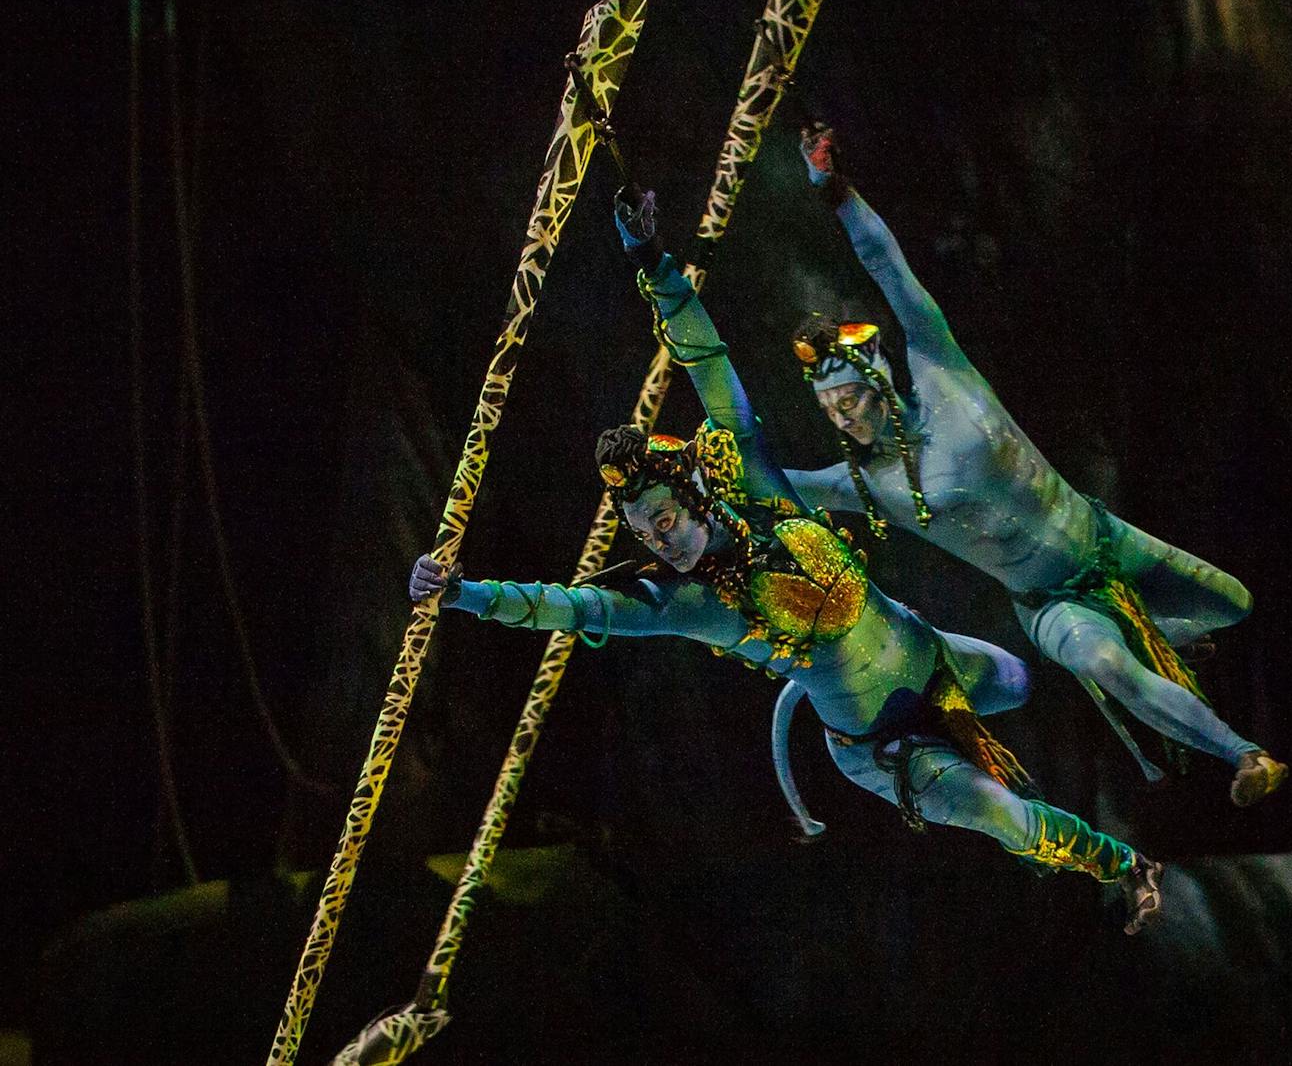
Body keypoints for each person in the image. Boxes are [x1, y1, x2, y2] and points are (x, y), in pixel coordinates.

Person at [407, 190, 1166, 934]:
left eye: (664, 518)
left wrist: (654, 263)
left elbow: (707, 362)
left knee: (1022, 679)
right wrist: (463, 594)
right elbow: (571, 607)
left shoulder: (762, 492)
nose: (659, 540)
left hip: (936, 665)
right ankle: (1122, 864)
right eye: (644, 533)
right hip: (880, 748)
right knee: (1001, 813)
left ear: (698, 497)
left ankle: (1144, 660)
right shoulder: (688, 604)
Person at [780, 124, 1286, 807]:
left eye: (847, 400)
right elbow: (772, 481)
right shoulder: (869, 484)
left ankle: (1164, 632)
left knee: (1234, 604)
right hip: (1049, 604)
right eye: (829, 412)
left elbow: (889, 269)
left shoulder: (940, 370)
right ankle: (1244, 757)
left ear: (879, 381)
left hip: (1103, 541)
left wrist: (835, 191)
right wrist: (700, 459)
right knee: (1106, 663)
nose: (841, 420)